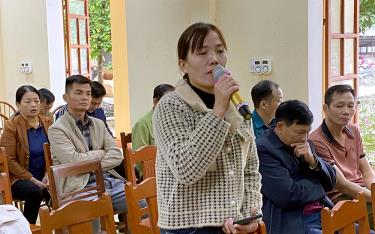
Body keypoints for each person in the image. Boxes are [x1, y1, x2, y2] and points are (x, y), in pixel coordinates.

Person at [153, 22, 262, 234]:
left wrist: (251, 213)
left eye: (220, 51)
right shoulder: (170, 105)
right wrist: (218, 110)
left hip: (234, 223)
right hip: (188, 227)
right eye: (202, 53)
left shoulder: (237, 105)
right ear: (183, 65)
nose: (214, 59)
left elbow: (250, 169)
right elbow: (186, 170)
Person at [48, 75, 126, 214]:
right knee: (89, 213)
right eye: (79, 93)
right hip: (77, 188)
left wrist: (91, 165)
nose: (85, 97)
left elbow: (116, 155)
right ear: (66, 97)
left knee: (143, 201)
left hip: (107, 181)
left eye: (88, 94)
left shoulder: (98, 124)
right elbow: (73, 162)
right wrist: (101, 153)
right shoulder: (57, 129)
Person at [257, 100, 336, 234]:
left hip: (323, 212)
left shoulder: (305, 144)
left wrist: (313, 161)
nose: (305, 137)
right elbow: (288, 195)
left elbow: (331, 183)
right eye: (300, 132)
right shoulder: (263, 150)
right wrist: (318, 186)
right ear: (280, 126)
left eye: (308, 132)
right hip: (294, 222)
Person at [309, 84, 375, 228]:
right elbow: (342, 184)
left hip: (362, 190)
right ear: (325, 109)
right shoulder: (316, 140)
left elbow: (366, 170)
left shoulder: (354, 130)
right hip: (341, 198)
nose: (346, 111)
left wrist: (373, 190)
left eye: (351, 105)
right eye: (339, 106)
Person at [0, 85, 51, 224]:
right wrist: (32, 179)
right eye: (28, 101)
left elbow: (52, 153)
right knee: (35, 192)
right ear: (18, 104)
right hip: (18, 178)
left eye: (36, 101)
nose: (33, 105)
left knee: (62, 185)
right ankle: (27, 228)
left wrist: (47, 174)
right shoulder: (11, 126)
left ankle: (61, 227)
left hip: (43, 175)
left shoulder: (47, 122)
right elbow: (9, 160)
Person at [132, 84, 174, 151]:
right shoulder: (142, 124)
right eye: (167, 102)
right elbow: (138, 159)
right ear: (155, 102)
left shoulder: (174, 121)